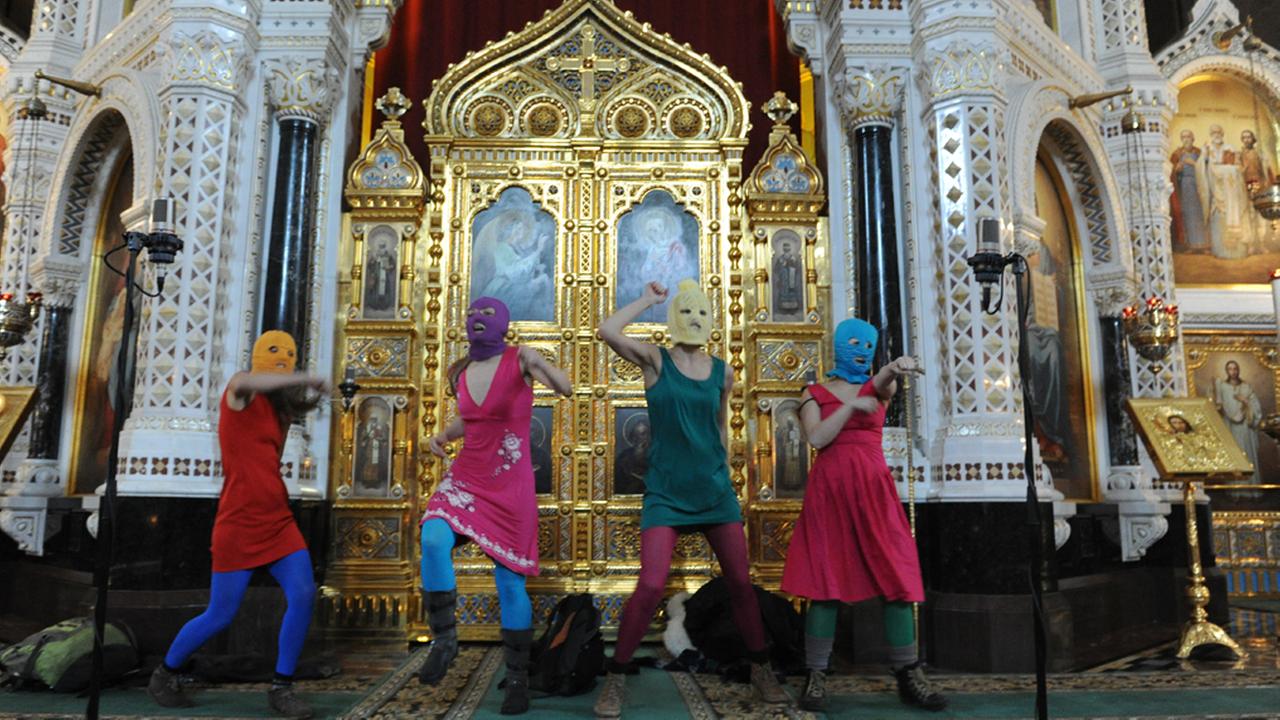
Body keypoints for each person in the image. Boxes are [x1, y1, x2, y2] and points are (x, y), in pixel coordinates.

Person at [593, 279, 790, 718]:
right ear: (673, 318)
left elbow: (719, 426)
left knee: (740, 583)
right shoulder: (655, 361)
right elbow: (607, 330)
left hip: (713, 491)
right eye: (687, 312)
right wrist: (647, 299)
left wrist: (725, 474)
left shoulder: (723, 372)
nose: (695, 319)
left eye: (701, 312)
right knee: (650, 585)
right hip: (666, 493)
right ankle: (616, 676)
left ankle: (761, 670)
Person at [147, 331, 329, 719]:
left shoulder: (281, 410)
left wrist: (311, 391)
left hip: (278, 519)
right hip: (238, 521)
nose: (283, 360)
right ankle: (165, 673)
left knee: (303, 594)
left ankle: (282, 688)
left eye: (289, 356)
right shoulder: (240, 388)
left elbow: (271, 451)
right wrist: (304, 377)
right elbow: (250, 381)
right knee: (221, 613)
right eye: (275, 354)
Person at [780, 318, 946, 714]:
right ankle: (816, 674)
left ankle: (908, 673)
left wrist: (893, 367)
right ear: (839, 344)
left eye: (870, 345)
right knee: (825, 583)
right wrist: (850, 406)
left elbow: (882, 382)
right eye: (855, 343)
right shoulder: (812, 393)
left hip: (873, 492)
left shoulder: (878, 387)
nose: (862, 350)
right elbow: (817, 438)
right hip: (830, 495)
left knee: (898, 577)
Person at [417, 297, 571, 715]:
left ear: (502, 322)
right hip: (467, 476)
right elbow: (471, 419)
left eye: (486, 314)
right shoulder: (461, 370)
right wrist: (443, 436)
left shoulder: (519, 359)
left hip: (509, 485)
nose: (476, 318)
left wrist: (538, 361)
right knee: (433, 538)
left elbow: (566, 388)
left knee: (509, 583)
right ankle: (445, 640)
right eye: (471, 313)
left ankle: (518, 678)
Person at [1214, 361, 1263, 484]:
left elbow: (1256, 407)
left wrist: (1245, 401)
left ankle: (1251, 488)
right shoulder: (1222, 387)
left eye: (1235, 368)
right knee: (1234, 456)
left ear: (1238, 370)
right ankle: (1234, 490)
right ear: (1227, 371)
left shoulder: (1246, 387)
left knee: (1247, 456)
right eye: (1230, 369)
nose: (1233, 372)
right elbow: (1217, 406)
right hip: (1229, 428)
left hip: (1245, 428)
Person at [1169, 129, 1210, 253]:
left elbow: (1207, 167)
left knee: (1200, 214)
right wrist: (1177, 170)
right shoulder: (1177, 154)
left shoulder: (1198, 152)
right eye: (1183, 137)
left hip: (1199, 185)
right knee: (1188, 214)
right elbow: (1171, 172)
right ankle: (1191, 245)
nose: (1186, 139)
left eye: (1188, 137)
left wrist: (1194, 163)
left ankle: (1203, 244)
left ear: (1193, 138)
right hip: (1185, 186)